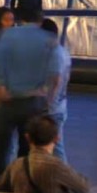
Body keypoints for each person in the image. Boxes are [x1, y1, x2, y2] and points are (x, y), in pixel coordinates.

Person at [0, 10, 60, 189]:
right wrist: (48, 97)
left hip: (6, 102)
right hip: (33, 102)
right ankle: (22, 186)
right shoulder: (46, 39)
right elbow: (55, 74)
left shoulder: (6, 38)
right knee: (25, 149)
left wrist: (1, 87)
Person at [0, 112, 89, 193]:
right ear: (57, 139)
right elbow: (83, 188)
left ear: (27, 138)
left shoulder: (16, 165)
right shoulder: (56, 166)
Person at [38, 18, 71, 146]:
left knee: (55, 147)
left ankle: (61, 166)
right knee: (55, 145)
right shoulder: (62, 52)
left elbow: (56, 80)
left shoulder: (55, 54)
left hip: (52, 109)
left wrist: (48, 104)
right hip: (59, 106)